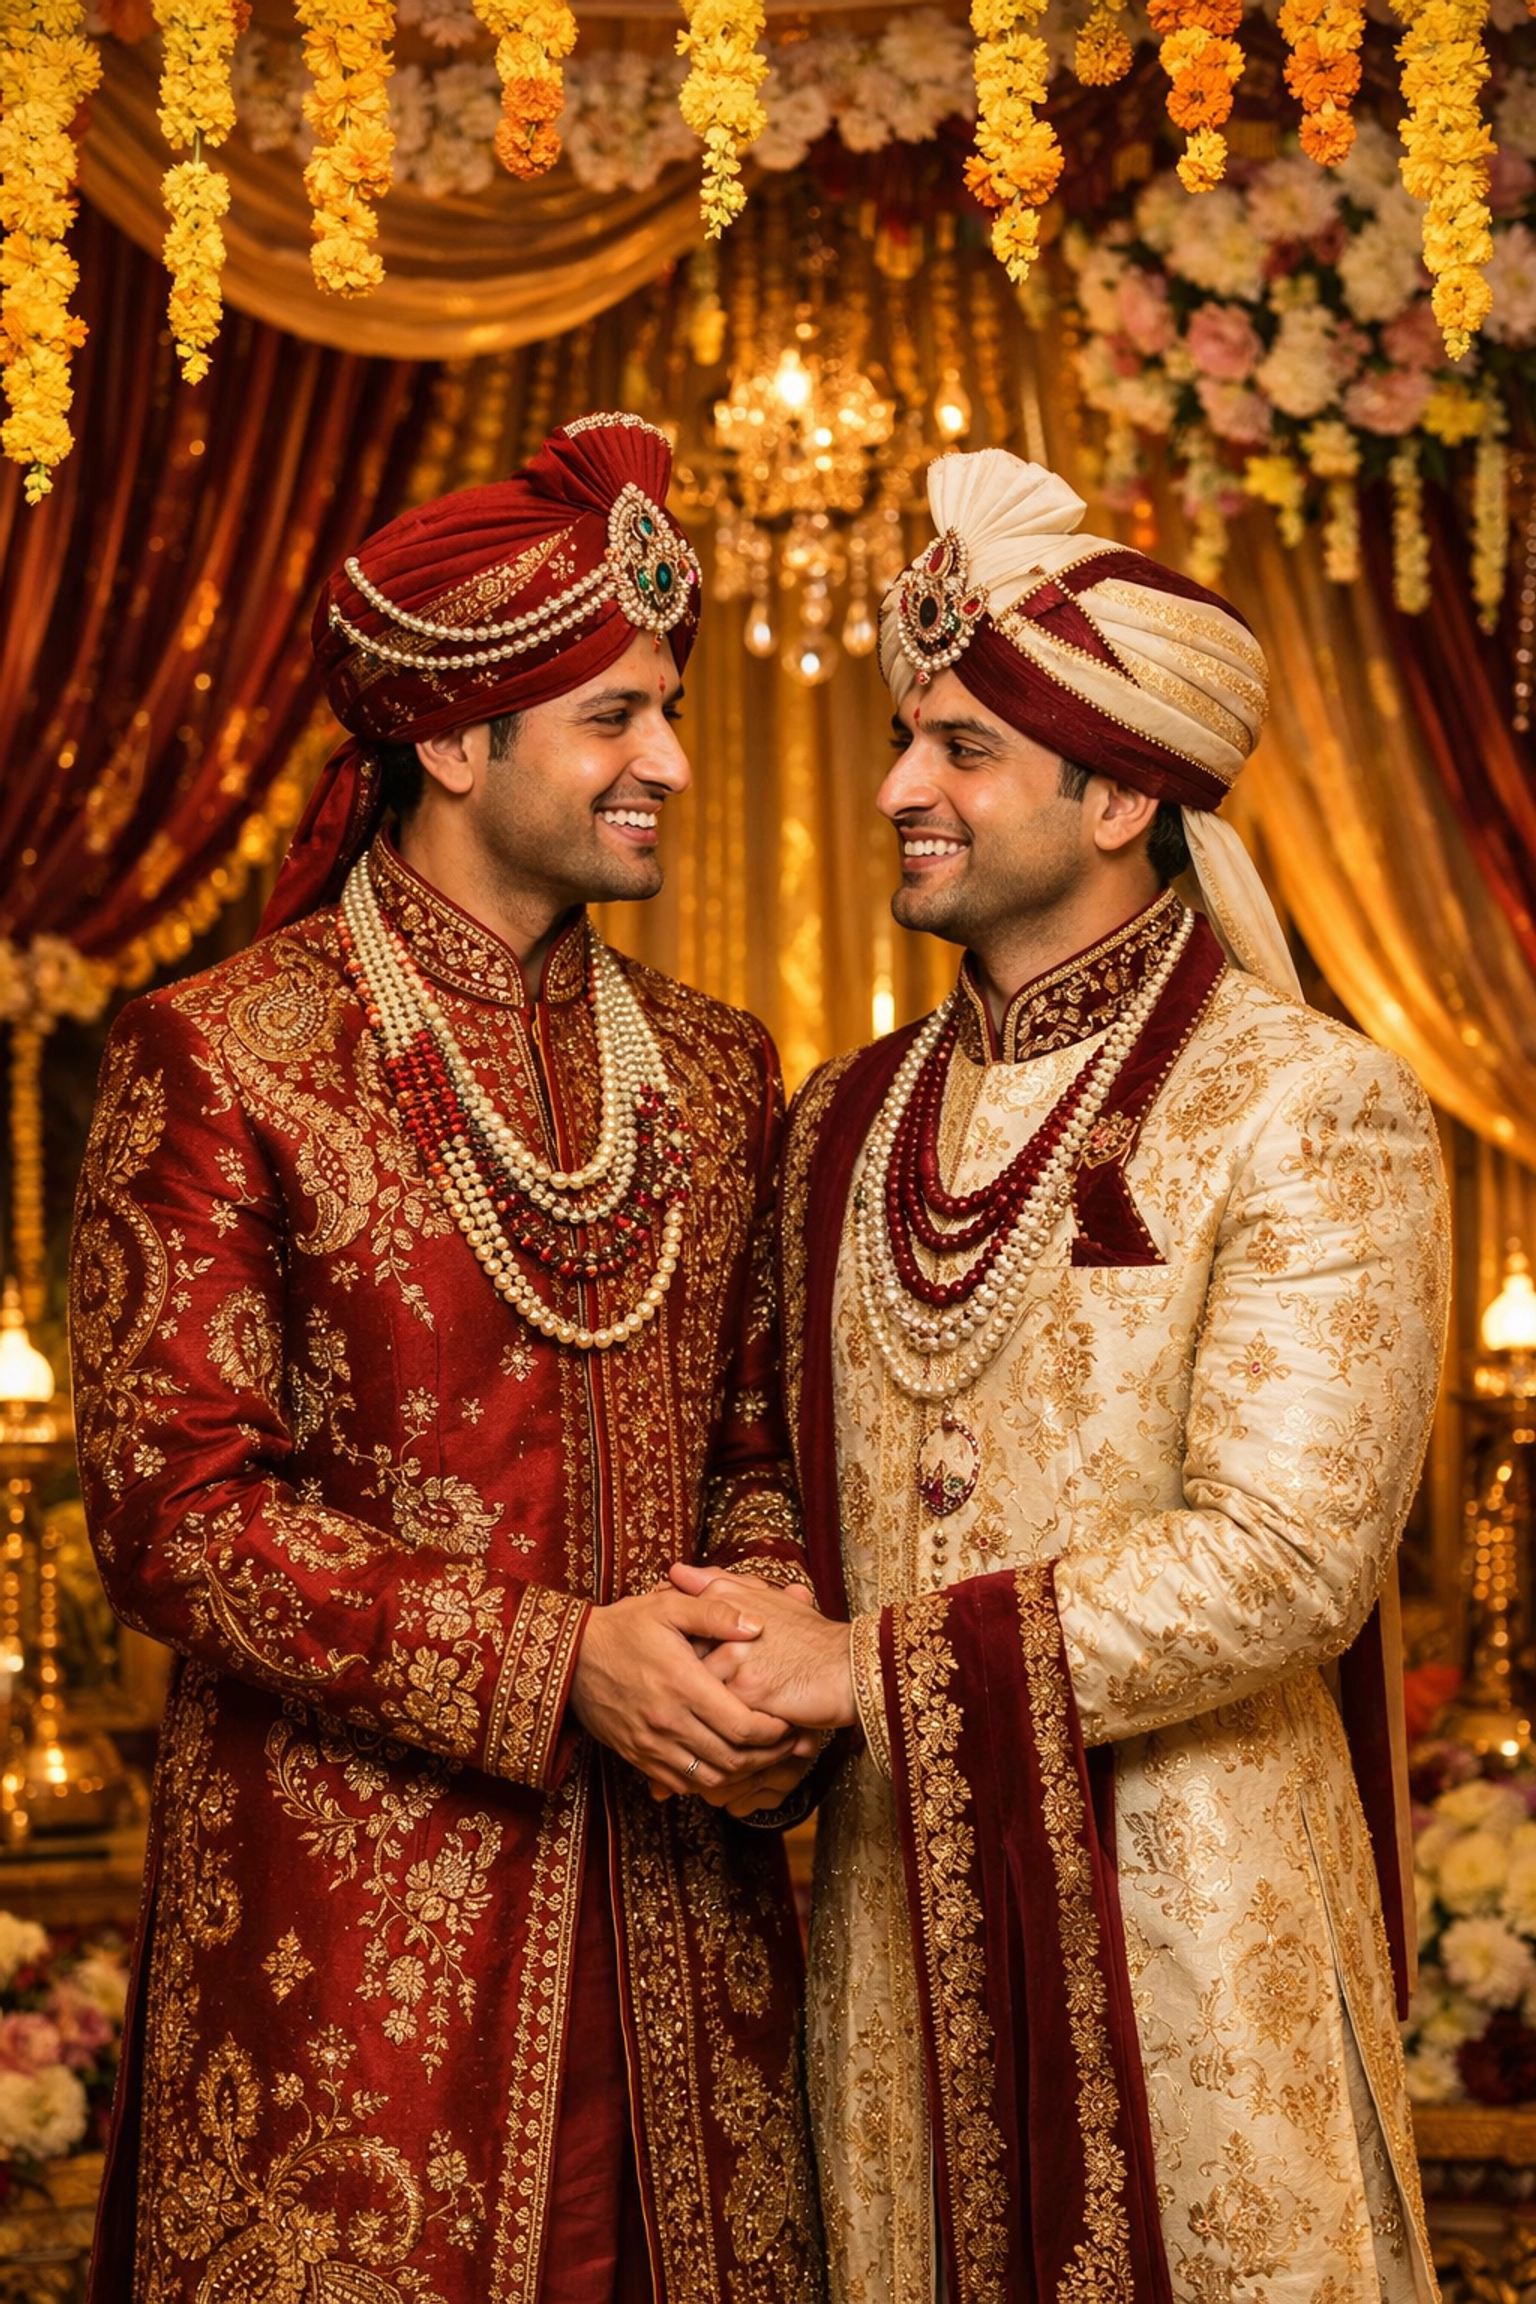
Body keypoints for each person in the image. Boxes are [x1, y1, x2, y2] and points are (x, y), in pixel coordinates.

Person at [677, 450, 1449, 2302]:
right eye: (902, 739)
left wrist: (859, 1667)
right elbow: (777, 1453)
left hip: (1195, 1931)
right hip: (900, 1957)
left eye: (959, 752)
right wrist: (759, 1618)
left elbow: (1285, 1559)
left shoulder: (1304, 1103)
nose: (896, 792)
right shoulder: (844, 1122)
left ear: (1120, 794)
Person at [69, 414, 825, 2304]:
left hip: (687, 1932)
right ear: (450, 738)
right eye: (610, 717)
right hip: (357, 1958)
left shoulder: (718, 1066)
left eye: (667, 706)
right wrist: (556, 1659)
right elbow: (177, 1516)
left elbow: (758, 1442)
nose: (666, 758)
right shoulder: (226, 1054)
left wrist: (759, 1667)